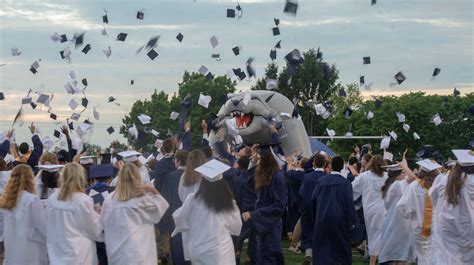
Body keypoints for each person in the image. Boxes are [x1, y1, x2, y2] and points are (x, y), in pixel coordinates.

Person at [172, 159, 242, 264]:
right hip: (221, 249)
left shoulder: (192, 199)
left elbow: (181, 218)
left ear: (202, 182)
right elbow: (236, 227)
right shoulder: (228, 202)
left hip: (198, 248)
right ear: (222, 183)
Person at [101, 163, 169, 265]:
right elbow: (162, 205)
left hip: (117, 253)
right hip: (139, 253)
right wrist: (152, 189)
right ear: (137, 177)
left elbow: (103, 222)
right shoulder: (142, 200)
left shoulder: (109, 199)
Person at [46, 162, 104, 265]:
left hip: (57, 254)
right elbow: (95, 230)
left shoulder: (52, 199)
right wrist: (98, 213)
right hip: (78, 255)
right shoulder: (82, 201)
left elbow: (48, 226)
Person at [242, 144, 288, 265]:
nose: (258, 162)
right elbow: (247, 181)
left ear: (267, 160)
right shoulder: (266, 175)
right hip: (262, 225)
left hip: (270, 224)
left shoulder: (278, 178)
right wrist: (252, 158)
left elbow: (279, 206)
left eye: (260, 159)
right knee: (261, 256)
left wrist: (254, 215)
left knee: (268, 256)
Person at [429, 149, 474, 264]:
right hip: (468, 228)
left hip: (446, 226)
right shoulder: (471, 181)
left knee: (446, 259)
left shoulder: (444, 179)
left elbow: (432, 195)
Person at [311, 156, 359, 265]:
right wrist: (353, 223)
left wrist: (316, 217)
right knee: (340, 252)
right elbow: (349, 204)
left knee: (322, 251)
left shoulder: (321, 181)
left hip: (322, 219)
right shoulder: (345, 183)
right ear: (342, 167)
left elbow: (313, 200)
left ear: (331, 166)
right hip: (339, 221)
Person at [0, 164, 48, 265]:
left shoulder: (7, 201)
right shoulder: (31, 200)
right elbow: (43, 227)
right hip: (29, 251)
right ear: (30, 179)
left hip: (12, 252)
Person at [397, 159, 442, 265]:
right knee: (434, 254)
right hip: (436, 226)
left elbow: (401, 206)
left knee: (422, 254)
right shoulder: (439, 187)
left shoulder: (414, 187)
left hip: (418, 226)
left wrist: (410, 217)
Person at [378, 153, 418, 265]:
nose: (405, 175)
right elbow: (413, 177)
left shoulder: (391, 185)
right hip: (398, 222)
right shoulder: (397, 185)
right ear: (398, 175)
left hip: (393, 221)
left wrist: (403, 167)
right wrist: (403, 165)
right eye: (403, 173)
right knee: (400, 253)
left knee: (398, 252)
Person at [352, 154, 388, 265]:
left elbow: (352, 189)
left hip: (370, 210)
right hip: (384, 209)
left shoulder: (364, 176)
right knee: (381, 235)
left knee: (373, 235)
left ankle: (373, 261)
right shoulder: (386, 176)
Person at [160, 150, 190, 265]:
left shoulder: (171, 177)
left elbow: (166, 199)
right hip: (192, 217)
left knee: (178, 251)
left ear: (177, 161)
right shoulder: (195, 175)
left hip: (176, 218)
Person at [298, 153, 327, 264]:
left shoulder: (307, 177)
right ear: (324, 164)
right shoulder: (326, 178)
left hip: (307, 208)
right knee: (320, 234)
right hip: (321, 210)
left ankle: (309, 253)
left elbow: (301, 194)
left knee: (308, 232)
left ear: (314, 163)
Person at [86, 164, 116, 265]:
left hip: (94, 231)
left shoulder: (86, 192)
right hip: (111, 231)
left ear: (94, 178)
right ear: (110, 178)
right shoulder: (115, 191)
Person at [233, 155, 258, 265]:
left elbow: (237, 195)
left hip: (242, 207)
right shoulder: (254, 177)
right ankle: (249, 258)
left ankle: (237, 255)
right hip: (253, 208)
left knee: (240, 234)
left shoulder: (238, 179)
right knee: (253, 234)